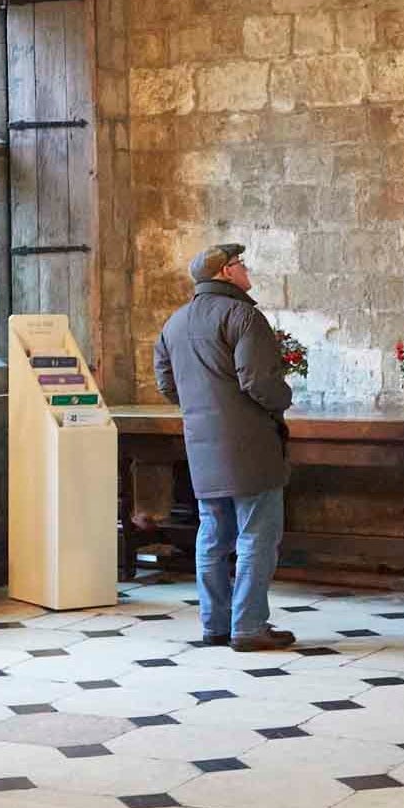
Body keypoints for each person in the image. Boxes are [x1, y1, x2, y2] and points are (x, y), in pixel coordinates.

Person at [151, 243, 297, 652]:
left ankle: (214, 625)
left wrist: (205, 407)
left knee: (212, 535)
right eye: (241, 264)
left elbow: (167, 384)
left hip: (201, 443)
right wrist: (284, 396)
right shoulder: (243, 315)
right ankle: (249, 626)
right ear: (225, 273)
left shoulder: (174, 323)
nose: (247, 270)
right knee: (256, 535)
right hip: (250, 443)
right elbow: (258, 382)